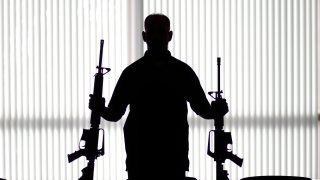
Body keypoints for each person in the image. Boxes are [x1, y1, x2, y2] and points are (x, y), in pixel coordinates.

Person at [89, 14, 229, 180]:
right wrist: (99, 108)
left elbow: (204, 110)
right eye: (152, 32)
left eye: (160, 32)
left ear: (169, 36)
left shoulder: (179, 72)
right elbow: (114, 113)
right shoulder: (136, 73)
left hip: (171, 158)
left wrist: (217, 110)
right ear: (144, 36)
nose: (156, 36)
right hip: (141, 159)